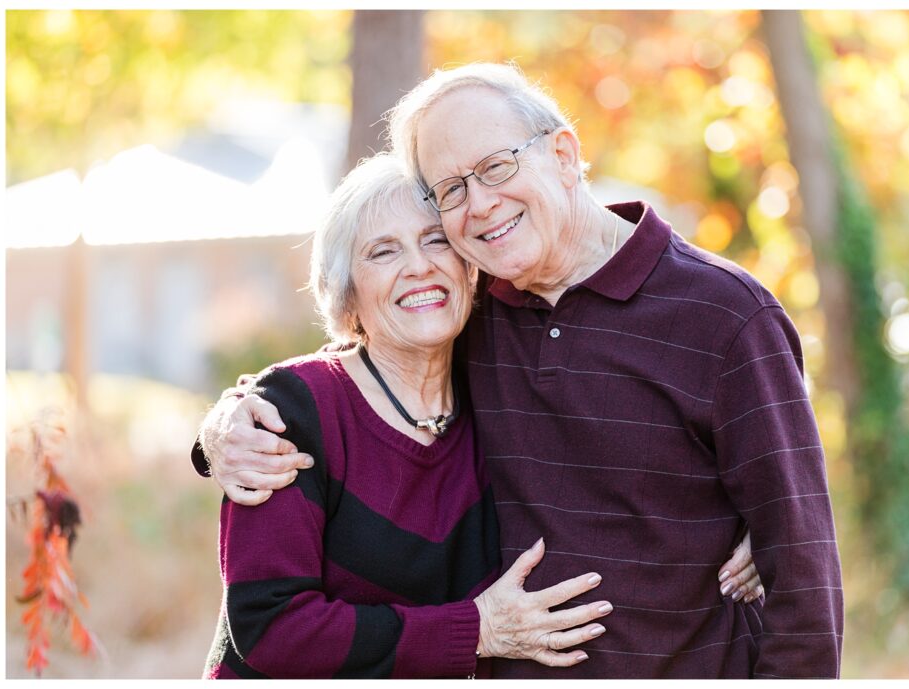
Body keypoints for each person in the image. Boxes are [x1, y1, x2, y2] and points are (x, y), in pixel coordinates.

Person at [198, 62, 841, 678]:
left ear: (563, 155)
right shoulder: (479, 314)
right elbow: (367, 365)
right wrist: (222, 429)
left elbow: (804, 574)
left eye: (495, 166)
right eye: (451, 189)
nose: (480, 204)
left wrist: (765, 526)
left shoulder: (726, 315)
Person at [202, 153, 616, 679]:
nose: (419, 266)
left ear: (471, 267)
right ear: (347, 293)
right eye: (383, 251)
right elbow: (270, 629)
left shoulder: (499, 390)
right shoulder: (293, 412)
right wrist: (475, 631)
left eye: (436, 240)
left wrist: (741, 519)